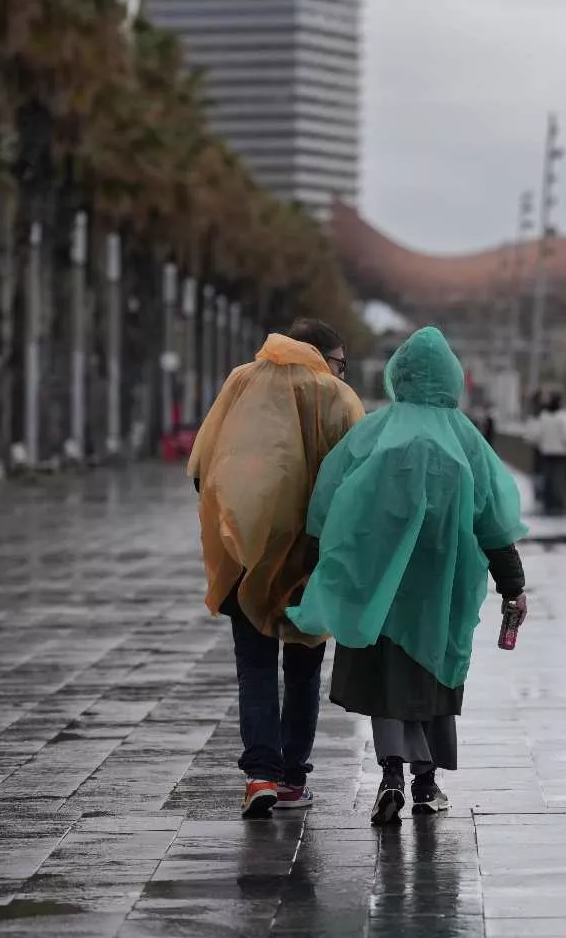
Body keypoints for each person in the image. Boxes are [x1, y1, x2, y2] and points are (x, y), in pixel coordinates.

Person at [284, 327, 529, 824]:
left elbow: (325, 504)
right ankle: (426, 781)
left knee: (385, 676)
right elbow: (495, 523)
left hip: (376, 586)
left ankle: (391, 773)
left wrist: (311, 568)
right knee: (430, 677)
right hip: (440, 589)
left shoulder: (373, 434)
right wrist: (513, 586)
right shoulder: (467, 441)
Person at [186, 317, 365, 818]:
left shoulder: (241, 381)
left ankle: (259, 775)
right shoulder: (337, 397)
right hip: (310, 554)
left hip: (245, 552)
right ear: (323, 356)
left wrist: (232, 525)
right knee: (304, 667)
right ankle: (291, 778)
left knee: (256, 667)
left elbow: (202, 464)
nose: (341, 374)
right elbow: (357, 476)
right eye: (340, 364)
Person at [532, 393, 566, 515]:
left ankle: (548, 503)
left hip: (546, 453)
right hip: (561, 454)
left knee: (547, 479)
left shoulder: (543, 416)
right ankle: (559, 505)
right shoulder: (563, 417)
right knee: (559, 481)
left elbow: (536, 435)